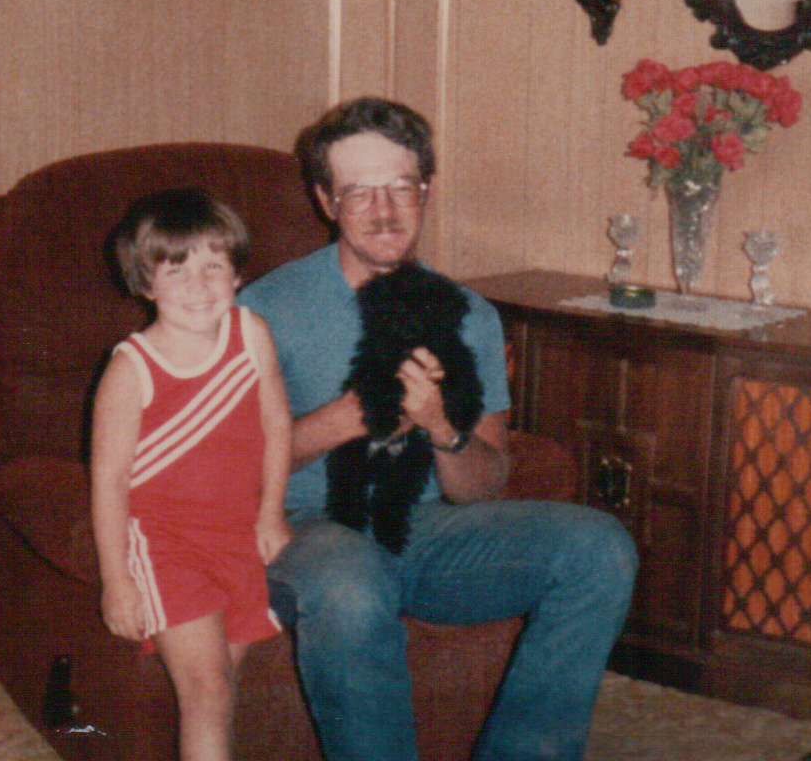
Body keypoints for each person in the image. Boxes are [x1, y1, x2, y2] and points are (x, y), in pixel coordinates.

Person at [239, 97, 638, 761]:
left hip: (426, 530)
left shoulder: (469, 315)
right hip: (307, 526)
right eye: (359, 192)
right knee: (351, 582)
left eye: (401, 187)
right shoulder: (263, 309)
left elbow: (483, 486)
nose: (384, 210)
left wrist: (443, 428)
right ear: (326, 201)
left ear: (425, 190)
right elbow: (222, 467)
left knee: (599, 547)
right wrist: (340, 422)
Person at [91, 188, 293, 761]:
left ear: (237, 274)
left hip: (239, 540)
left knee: (221, 688)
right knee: (206, 692)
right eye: (176, 270)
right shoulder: (131, 368)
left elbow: (277, 424)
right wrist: (116, 579)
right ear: (145, 282)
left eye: (213, 266)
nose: (199, 286)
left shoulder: (252, 334)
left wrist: (271, 513)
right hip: (166, 547)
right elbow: (109, 482)